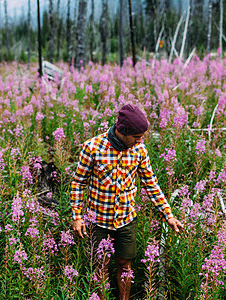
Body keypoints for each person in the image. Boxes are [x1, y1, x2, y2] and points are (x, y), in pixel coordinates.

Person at [70, 104, 183, 300]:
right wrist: (77, 217)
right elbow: (78, 183)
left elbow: (151, 183)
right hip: (98, 220)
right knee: (100, 265)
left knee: (125, 264)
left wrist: (168, 214)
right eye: (137, 137)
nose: (141, 140)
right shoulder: (93, 147)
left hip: (126, 219)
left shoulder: (138, 149)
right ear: (122, 131)